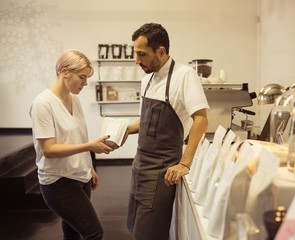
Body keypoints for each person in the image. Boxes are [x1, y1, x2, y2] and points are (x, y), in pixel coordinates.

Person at [124, 23, 209, 240]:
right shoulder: (147, 79)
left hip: (160, 171)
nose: (137, 61)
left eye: (142, 54)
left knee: (149, 233)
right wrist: (123, 131)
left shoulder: (184, 75)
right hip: (140, 164)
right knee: (137, 227)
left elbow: (201, 119)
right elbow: (147, 121)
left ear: (161, 51)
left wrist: (185, 163)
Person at [30, 49, 115, 240]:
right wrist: (90, 147)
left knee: (72, 232)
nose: (85, 84)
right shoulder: (42, 104)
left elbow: (78, 138)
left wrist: (89, 167)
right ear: (65, 71)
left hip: (80, 177)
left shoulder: (74, 100)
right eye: (82, 77)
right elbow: (49, 150)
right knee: (94, 233)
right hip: (58, 183)